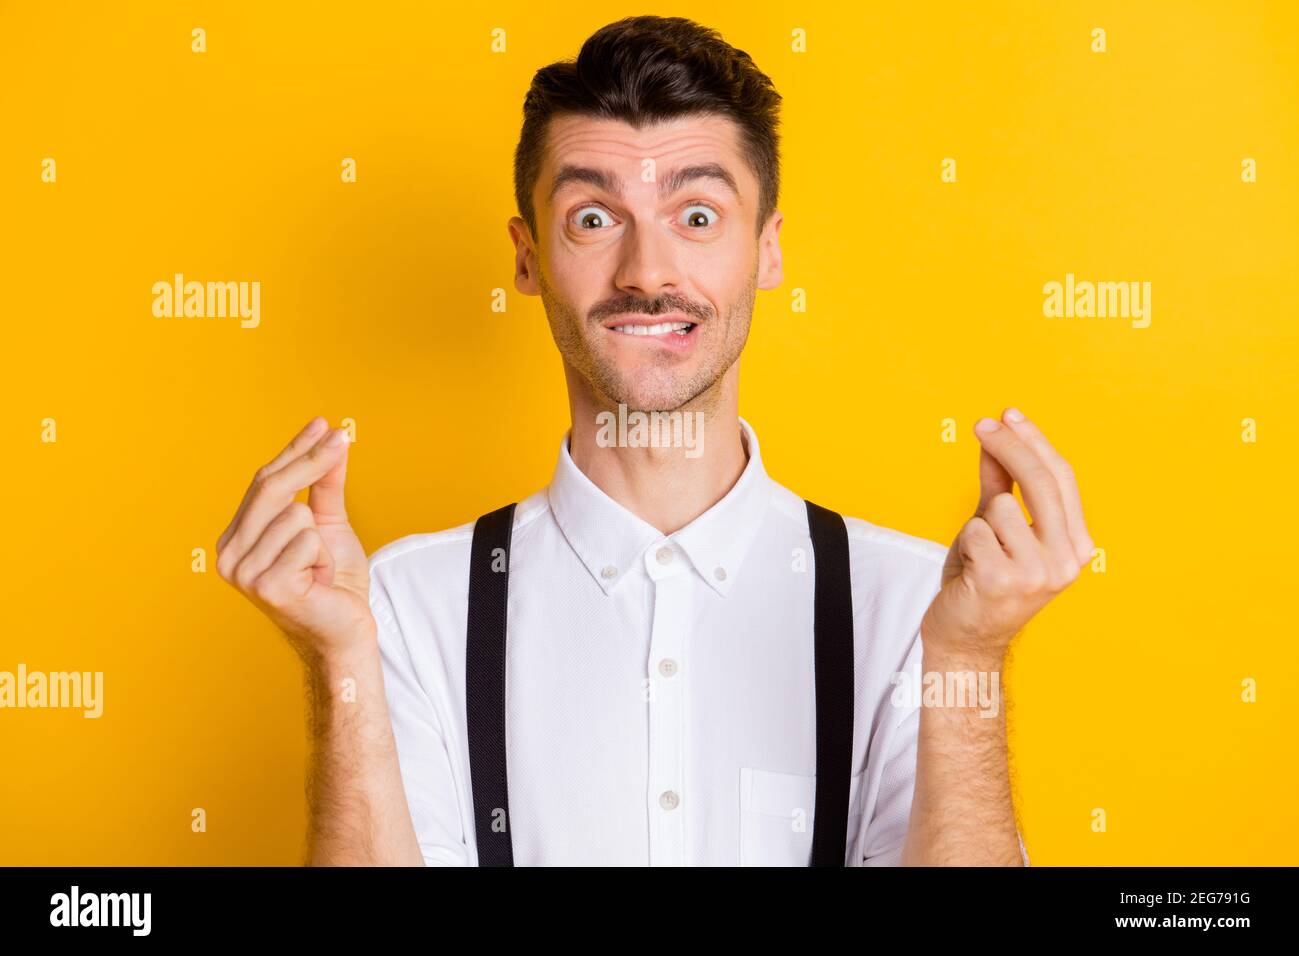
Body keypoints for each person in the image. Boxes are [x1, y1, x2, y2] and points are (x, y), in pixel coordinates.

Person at [216, 15, 1092, 866]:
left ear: (769, 250)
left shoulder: (909, 609)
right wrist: (336, 661)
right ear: (526, 258)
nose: (647, 272)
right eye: (593, 218)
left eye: (699, 217)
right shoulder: (403, 611)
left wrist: (971, 660)